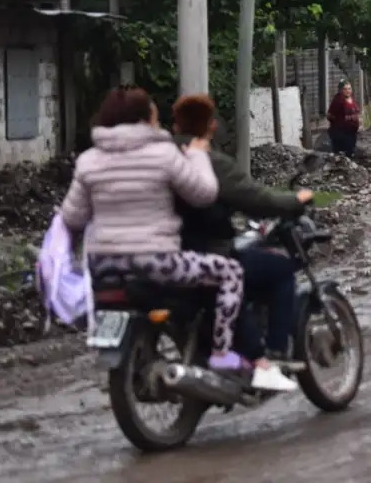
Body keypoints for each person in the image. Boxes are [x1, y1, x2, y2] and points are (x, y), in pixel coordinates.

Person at [59, 88, 255, 384]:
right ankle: (221, 354)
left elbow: (72, 217)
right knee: (230, 272)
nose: (158, 122)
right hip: (155, 263)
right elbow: (203, 194)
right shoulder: (163, 154)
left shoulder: (88, 161)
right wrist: (198, 154)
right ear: (143, 120)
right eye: (154, 116)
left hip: (102, 267)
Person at [172, 95, 313, 392]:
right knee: (280, 270)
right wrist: (296, 200)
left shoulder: (159, 158)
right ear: (211, 126)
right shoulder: (208, 161)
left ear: (175, 125)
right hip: (204, 252)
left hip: (160, 255)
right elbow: (255, 197)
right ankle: (273, 357)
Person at [326, 80, 361, 158]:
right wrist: (338, 123)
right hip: (342, 133)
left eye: (349, 88)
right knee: (342, 156)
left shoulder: (351, 99)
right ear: (340, 90)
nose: (348, 91)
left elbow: (356, 112)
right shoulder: (338, 100)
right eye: (345, 89)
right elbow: (329, 115)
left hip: (352, 133)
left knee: (350, 154)